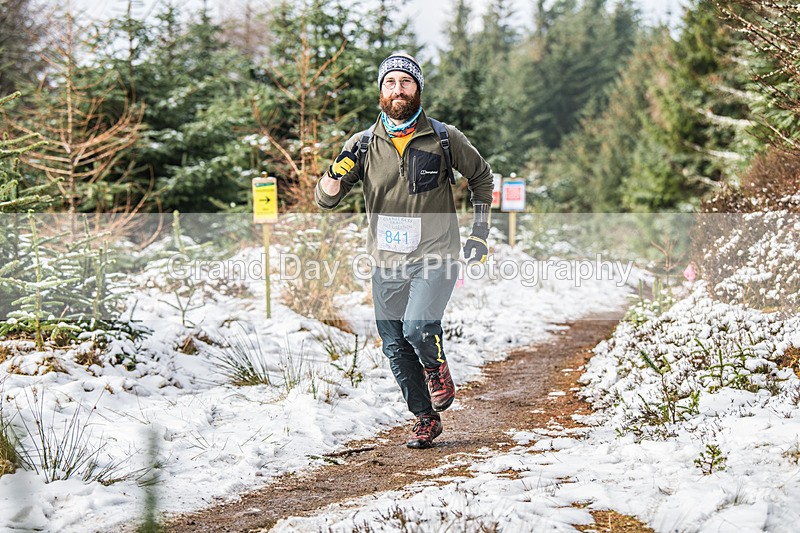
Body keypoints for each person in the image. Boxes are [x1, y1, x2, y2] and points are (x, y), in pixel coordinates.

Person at [315, 52, 493, 449]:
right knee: (394, 343)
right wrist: (335, 172)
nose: (398, 90)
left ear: (418, 89)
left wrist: (480, 232)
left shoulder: (445, 137)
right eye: (390, 83)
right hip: (385, 261)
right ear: (380, 92)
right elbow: (326, 200)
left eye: (406, 82)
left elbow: (482, 177)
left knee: (416, 326)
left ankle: (436, 365)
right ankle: (425, 417)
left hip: (437, 255)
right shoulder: (361, 145)